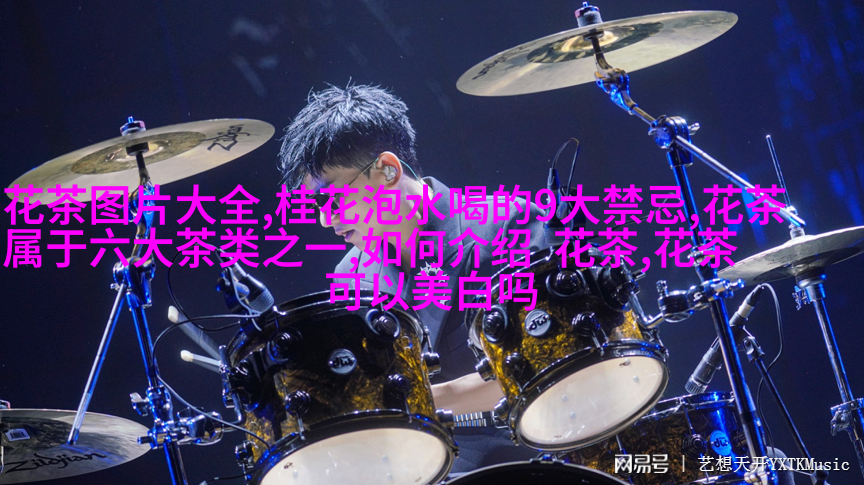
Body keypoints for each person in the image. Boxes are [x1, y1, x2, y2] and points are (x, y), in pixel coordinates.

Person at [277, 83, 546, 474]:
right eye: (315, 205)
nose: (324, 219)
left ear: (388, 169)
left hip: (531, 454)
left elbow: (545, 363)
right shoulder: (351, 277)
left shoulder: (505, 223)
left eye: (332, 198)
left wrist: (405, 402)